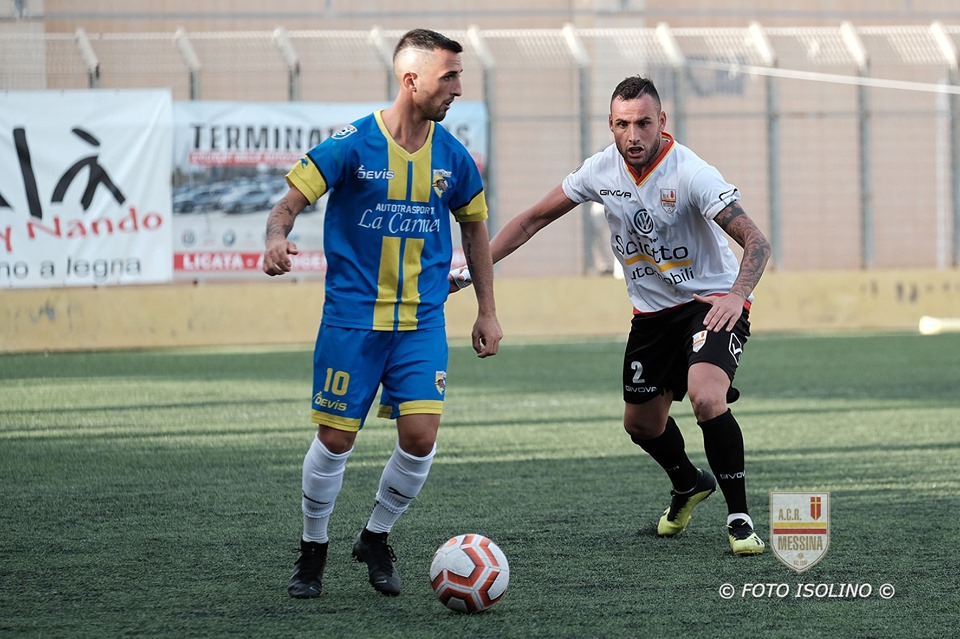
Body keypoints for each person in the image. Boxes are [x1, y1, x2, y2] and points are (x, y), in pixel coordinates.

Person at [453, 75, 770, 556]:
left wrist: (737, 295)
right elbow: (531, 221)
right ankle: (689, 483)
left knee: (707, 398)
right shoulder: (601, 170)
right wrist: (468, 272)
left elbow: (756, 241)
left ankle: (739, 518)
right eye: (623, 124)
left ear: (662, 121)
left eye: (644, 123)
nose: (633, 135)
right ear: (611, 124)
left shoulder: (691, 173)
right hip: (652, 315)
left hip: (710, 305)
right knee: (641, 426)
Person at [263, 28, 502, 599]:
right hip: (352, 322)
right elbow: (287, 204)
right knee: (335, 441)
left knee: (420, 438)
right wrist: (275, 239)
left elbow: (475, 231)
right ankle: (313, 550)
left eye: (461, 76)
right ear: (411, 79)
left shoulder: (454, 157)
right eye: (449, 76)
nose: (458, 89)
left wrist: (487, 310)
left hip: (421, 323)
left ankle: (375, 537)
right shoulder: (352, 144)